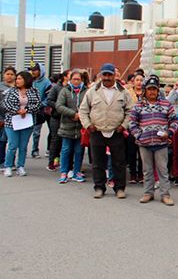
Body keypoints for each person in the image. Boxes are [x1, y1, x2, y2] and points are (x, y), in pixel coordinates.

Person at [79, 63, 134, 199]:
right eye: (105, 75)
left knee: (119, 162)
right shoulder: (92, 91)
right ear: (100, 75)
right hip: (97, 130)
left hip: (116, 131)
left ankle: (120, 188)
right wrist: (88, 125)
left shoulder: (123, 92)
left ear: (114, 75)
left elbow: (131, 111)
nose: (107, 77)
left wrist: (124, 126)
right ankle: (99, 187)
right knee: (98, 162)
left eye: (110, 75)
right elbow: (83, 110)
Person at [129, 76, 178, 206]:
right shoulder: (138, 106)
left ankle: (165, 195)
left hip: (161, 144)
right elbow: (132, 123)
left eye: (154, 89)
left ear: (158, 91)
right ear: (145, 90)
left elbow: (174, 121)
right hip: (144, 144)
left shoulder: (166, 104)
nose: (152, 92)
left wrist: (169, 133)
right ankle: (148, 193)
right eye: (149, 89)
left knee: (163, 170)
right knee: (147, 170)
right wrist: (138, 136)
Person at [2, 71, 41, 177]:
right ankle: (8, 166)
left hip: (27, 121)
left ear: (26, 80)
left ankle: (21, 166)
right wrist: (18, 110)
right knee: (12, 145)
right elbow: (5, 104)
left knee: (23, 146)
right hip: (12, 122)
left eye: (20, 79)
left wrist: (27, 110)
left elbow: (38, 104)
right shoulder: (11, 91)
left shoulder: (34, 91)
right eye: (17, 79)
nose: (17, 81)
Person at [56, 70, 88, 184]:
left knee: (79, 151)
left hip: (81, 127)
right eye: (74, 79)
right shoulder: (65, 91)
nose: (76, 81)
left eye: (78, 79)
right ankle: (64, 172)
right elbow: (59, 106)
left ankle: (77, 172)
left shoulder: (86, 91)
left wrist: (81, 115)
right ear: (70, 80)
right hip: (67, 126)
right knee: (66, 150)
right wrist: (73, 114)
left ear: (82, 80)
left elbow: (90, 105)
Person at [46, 71, 70, 171]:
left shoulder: (71, 88)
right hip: (56, 117)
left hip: (68, 118)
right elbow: (49, 100)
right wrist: (60, 107)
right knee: (55, 140)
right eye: (70, 75)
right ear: (64, 77)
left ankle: (62, 161)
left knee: (65, 141)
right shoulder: (56, 87)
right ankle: (51, 162)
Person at [29, 63, 52, 159]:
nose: (33, 72)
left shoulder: (47, 83)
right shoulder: (29, 81)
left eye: (35, 70)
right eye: (32, 70)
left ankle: (35, 150)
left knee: (37, 132)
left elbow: (49, 97)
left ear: (40, 71)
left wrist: (41, 104)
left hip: (40, 110)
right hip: (29, 109)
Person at [127, 73, 144, 183]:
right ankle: (133, 174)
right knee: (132, 151)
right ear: (133, 82)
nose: (139, 82)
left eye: (141, 80)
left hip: (144, 126)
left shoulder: (146, 93)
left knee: (142, 151)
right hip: (131, 126)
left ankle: (141, 174)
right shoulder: (128, 93)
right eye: (137, 80)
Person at [0, 66, 17, 168]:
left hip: (15, 118)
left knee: (13, 142)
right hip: (2, 117)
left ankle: (11, 162)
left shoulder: (18, 87)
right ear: (4, 75)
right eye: (7, 74)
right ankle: (2, 161)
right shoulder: (0, 87)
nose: (9, 76)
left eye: (12, 74)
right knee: (2, 141)